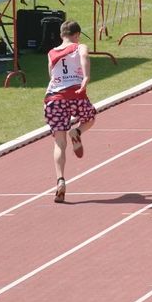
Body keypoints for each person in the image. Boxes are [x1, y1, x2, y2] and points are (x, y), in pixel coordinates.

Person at [44, 20, 96, 203]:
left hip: (54, 98)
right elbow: (84, 57)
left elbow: (52, 75)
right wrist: (86, 76)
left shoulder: (51, 53)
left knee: (59, 143)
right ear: (77, 35)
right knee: (90, 119)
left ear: (61, 35)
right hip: (76, 93)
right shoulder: (79, 46)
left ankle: (60, 180)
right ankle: (77, 131)